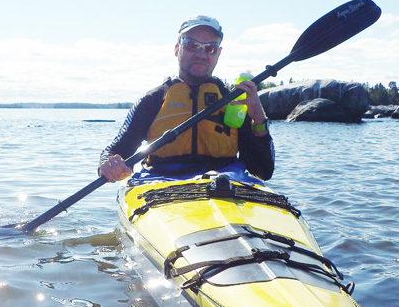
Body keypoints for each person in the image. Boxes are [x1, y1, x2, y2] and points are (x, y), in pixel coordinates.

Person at [98, 15, 274, 182]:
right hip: (162, 182)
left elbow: (263, 171)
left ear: (218, 53)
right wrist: (108, 164)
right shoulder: (153, 100)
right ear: (177, 49)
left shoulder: (235, 101)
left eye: (210, 48)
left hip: (224, 184)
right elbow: (117, 149)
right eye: (192, 45)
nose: (201, 54)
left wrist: (259, 119)